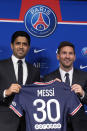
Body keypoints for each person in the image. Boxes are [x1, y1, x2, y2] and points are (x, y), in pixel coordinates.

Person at [0, 31, 40, 131]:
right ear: (12, 45)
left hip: (28, 123)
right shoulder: (1, 66)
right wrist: (5, 92)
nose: (21, 47)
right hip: (4, 123)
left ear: (28, 47)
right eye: (18, 43)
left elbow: (37, 94)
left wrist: (56, 85)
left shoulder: (34, 70)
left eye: (24, 44)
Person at [43, 41, 87, 131]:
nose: (67, 56)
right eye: (64, 53)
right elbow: (43, 103)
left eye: (70, 53)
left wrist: (83, 93)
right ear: (58, 56)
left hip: (80, 126)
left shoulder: (84, 76)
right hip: (56, 125)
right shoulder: (48, 78)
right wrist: (50, 88)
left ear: (74, 57)